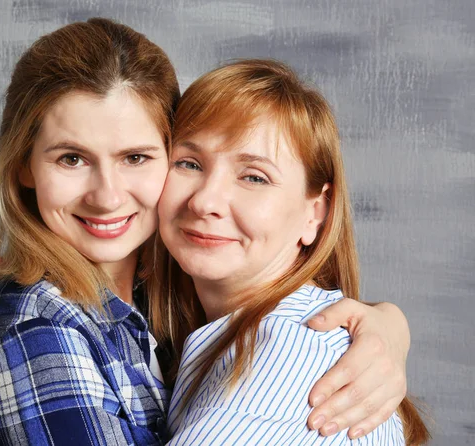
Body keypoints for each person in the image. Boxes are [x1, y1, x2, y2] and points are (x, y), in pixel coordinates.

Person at [0, 18, 413, 445]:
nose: (107, 196)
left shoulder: (178, 302)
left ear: (318, 211)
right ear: (23, 165)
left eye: (135, 157)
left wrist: (388, 324)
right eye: (71, 159)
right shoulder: (40, 328)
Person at [160, 59, 429, 445]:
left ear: (315, 212)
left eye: (254, 176)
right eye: (189, 163)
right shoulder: (225, 332)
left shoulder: (286, 359)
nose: (205, 201)